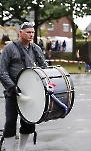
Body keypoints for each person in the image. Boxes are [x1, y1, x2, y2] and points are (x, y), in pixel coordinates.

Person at [0, 22, 48, 151]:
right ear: (20, 32)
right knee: (10, 121)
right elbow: (2, 70)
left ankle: (21, 149)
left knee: (28, 121)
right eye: (28, 32)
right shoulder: (9, 48)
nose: (31, 35)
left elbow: (44, 68)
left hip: (30, 92)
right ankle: (9, 149)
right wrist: (11, 86)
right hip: (12, 92)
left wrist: (45, 83)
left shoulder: (36, 48)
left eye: (32, 32)